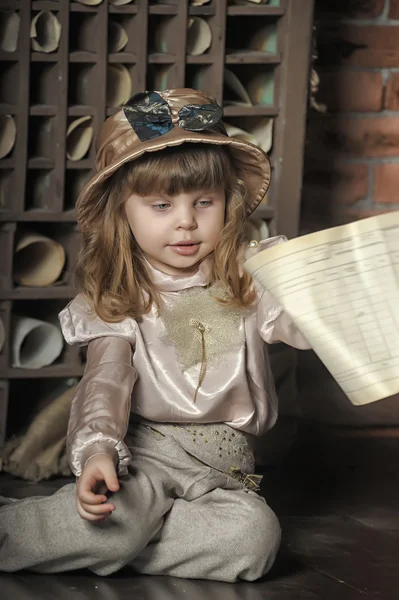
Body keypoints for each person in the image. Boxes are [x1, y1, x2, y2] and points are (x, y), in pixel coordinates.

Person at [0, 89, 310, 581]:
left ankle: (117, 544)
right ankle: (16, 532)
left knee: (254, 541)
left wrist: (338, 299)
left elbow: (307, 323)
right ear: (123, 211)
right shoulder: (122, 297)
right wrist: (98, 447)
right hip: (147, 452)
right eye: (161, 204)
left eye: (203, 201)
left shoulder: (249, 278)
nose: (186, 221)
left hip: (223, 472)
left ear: (227, 202)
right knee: (115, 519)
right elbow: (104, 382)